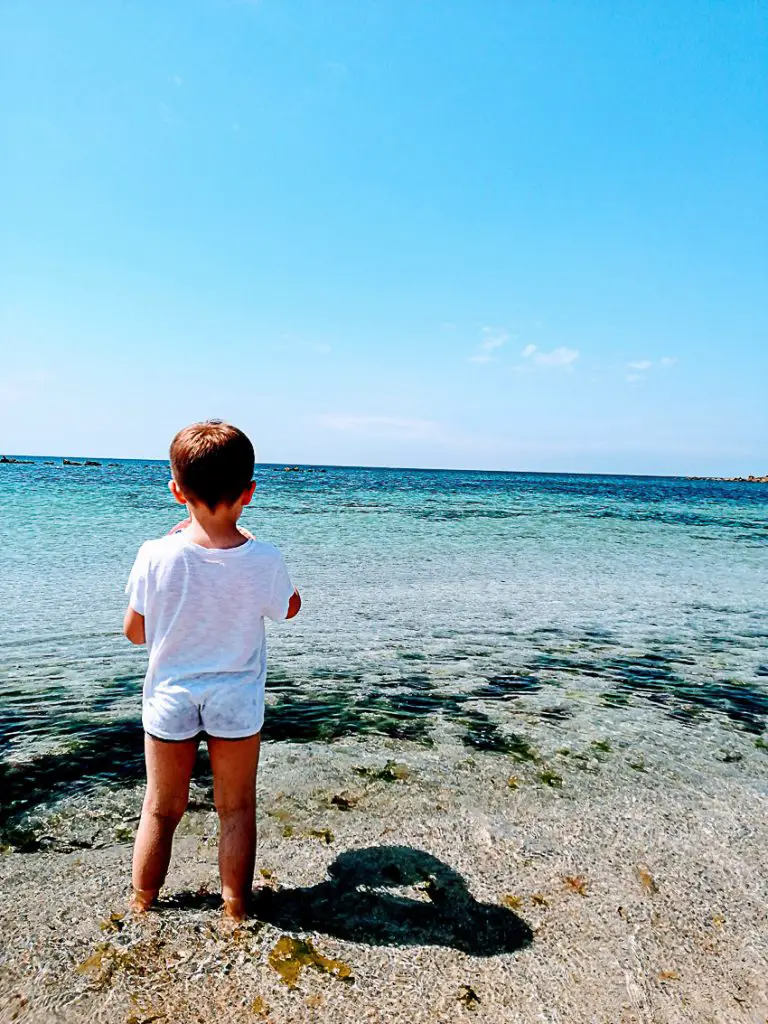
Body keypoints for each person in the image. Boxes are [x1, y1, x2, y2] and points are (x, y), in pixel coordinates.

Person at [123, 420, 300, 920]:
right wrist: (257, 555)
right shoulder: (263, 557)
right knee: (237, 808)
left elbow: (134, 632)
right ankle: (236, 911)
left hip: (171, 697)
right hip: (236, 701)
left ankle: (142, 906)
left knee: (160, 809)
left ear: (177, 490)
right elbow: (288, 607)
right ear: (249, 492)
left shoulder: (154, 554)